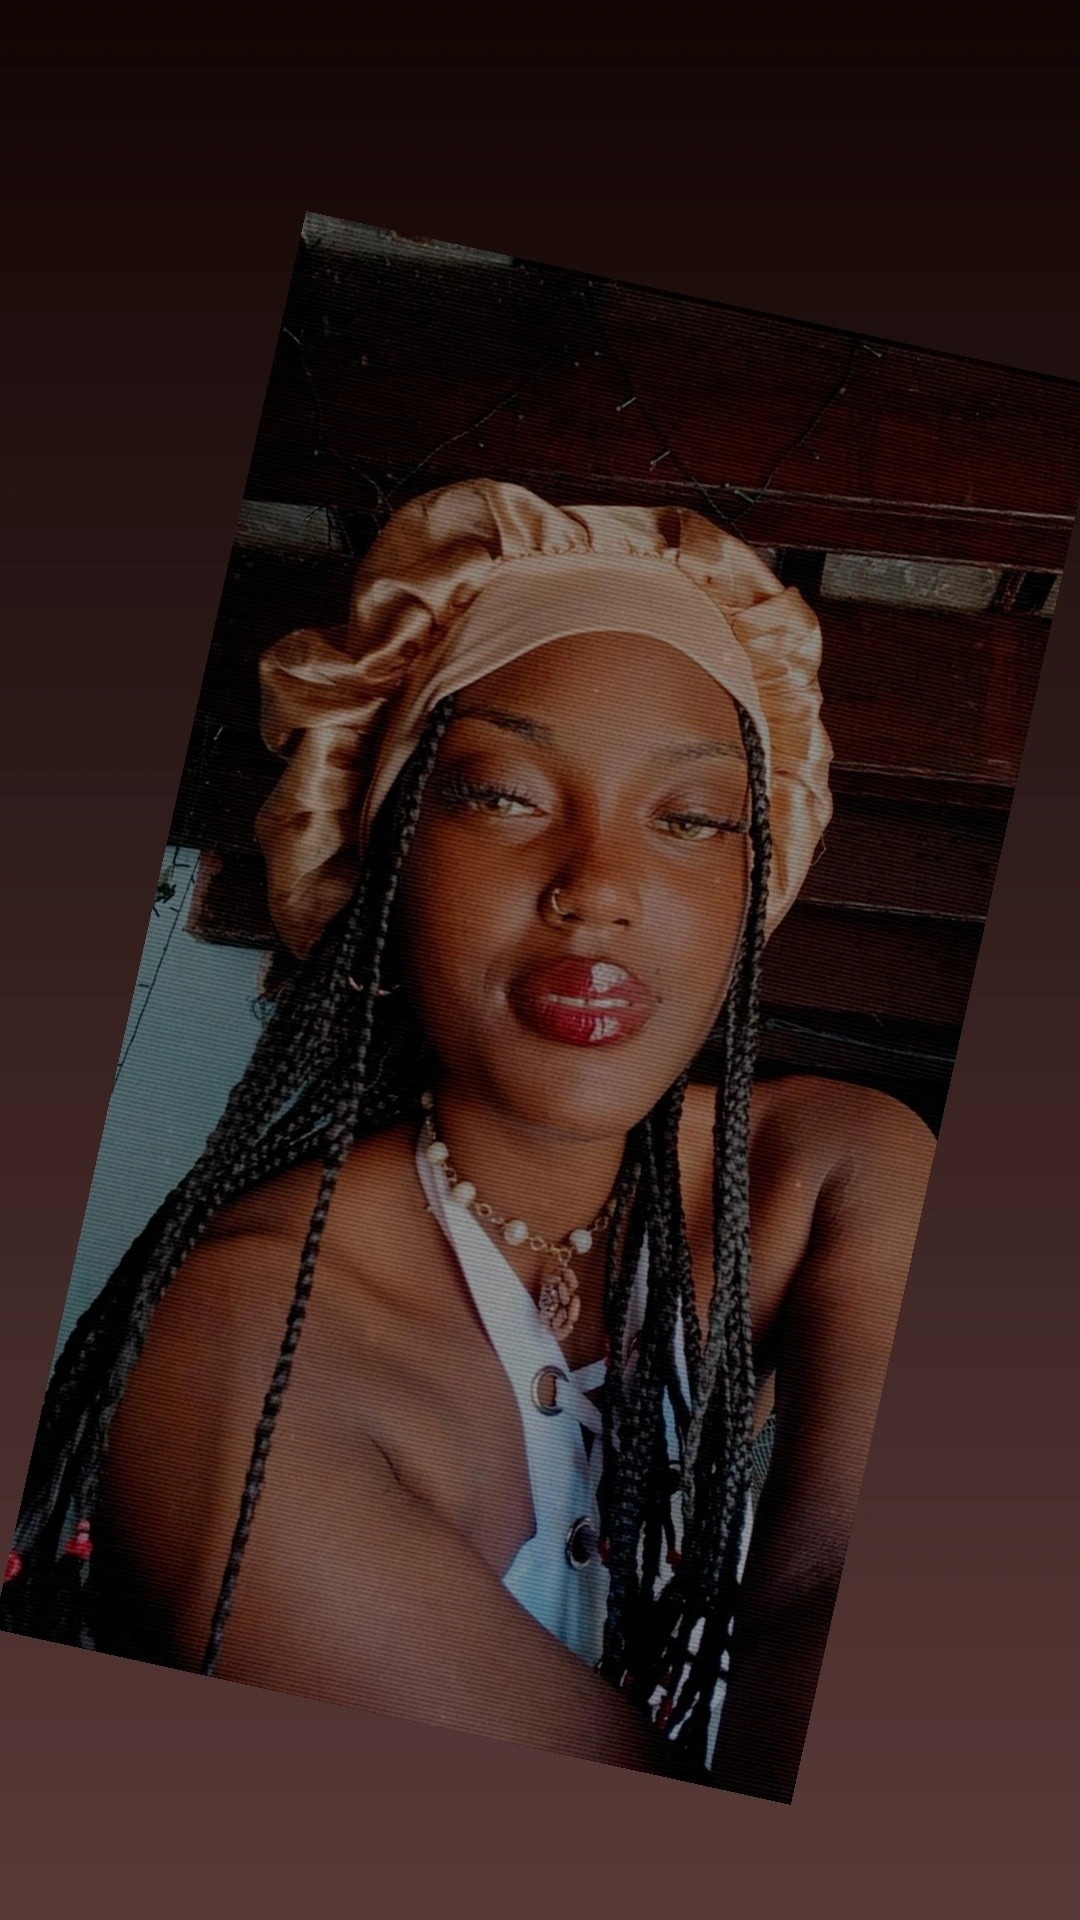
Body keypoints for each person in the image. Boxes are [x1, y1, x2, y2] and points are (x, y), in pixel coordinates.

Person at [2, 480, 934, 1800]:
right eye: (501, 796)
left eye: (691, 818)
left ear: (756, 877)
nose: (600, 885)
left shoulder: (833, 1174)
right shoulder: (239, 1373)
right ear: (384, 852)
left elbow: (836, 1587)